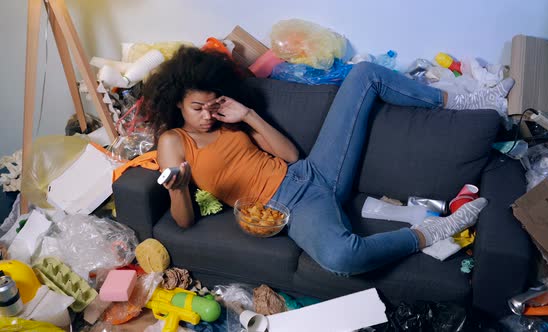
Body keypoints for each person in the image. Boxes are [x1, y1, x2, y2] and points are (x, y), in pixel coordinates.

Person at [142, 46, 514, 276]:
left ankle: (468, 102)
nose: (207, 115)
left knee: (365, 75)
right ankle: (430, 232)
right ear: (176, 102)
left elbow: (289, 155)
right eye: (197, 108)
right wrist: (177, 191)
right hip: (288, 208)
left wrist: (248, 116)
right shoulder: (174, 142)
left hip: (312, 171)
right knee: (341, 258)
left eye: (212, 105)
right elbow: (183, 222)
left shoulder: (230, 118)